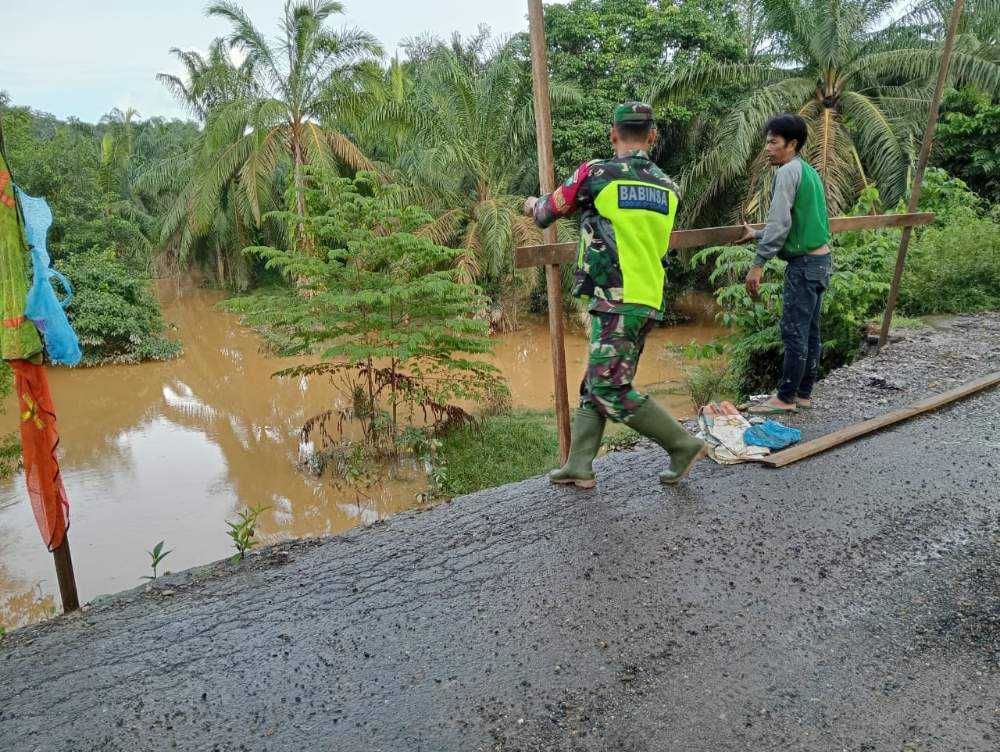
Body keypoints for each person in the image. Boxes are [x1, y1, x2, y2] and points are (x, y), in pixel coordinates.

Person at [523, 102, 707, 489]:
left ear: (613, 134)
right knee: (599, 378)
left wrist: (529, 204)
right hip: (648, 297)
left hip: (615, 297)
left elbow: (545, 212)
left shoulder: (597, 173)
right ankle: (579, 464)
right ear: (652, 136)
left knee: (610, 386)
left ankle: (681, 444)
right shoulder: (669, 187)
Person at [738, 114, 832, 415]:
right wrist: (758, 234)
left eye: (773, 142)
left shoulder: (787, 173)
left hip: (804, 266)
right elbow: (796, 222)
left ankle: (785, 398)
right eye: (767, 142)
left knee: (793, 331)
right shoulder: (808, 171)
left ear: (791, 144)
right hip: (820, 261)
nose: (768, 148)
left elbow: (780, 222)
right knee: (810, 331)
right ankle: (803, 394)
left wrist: (758, 263)